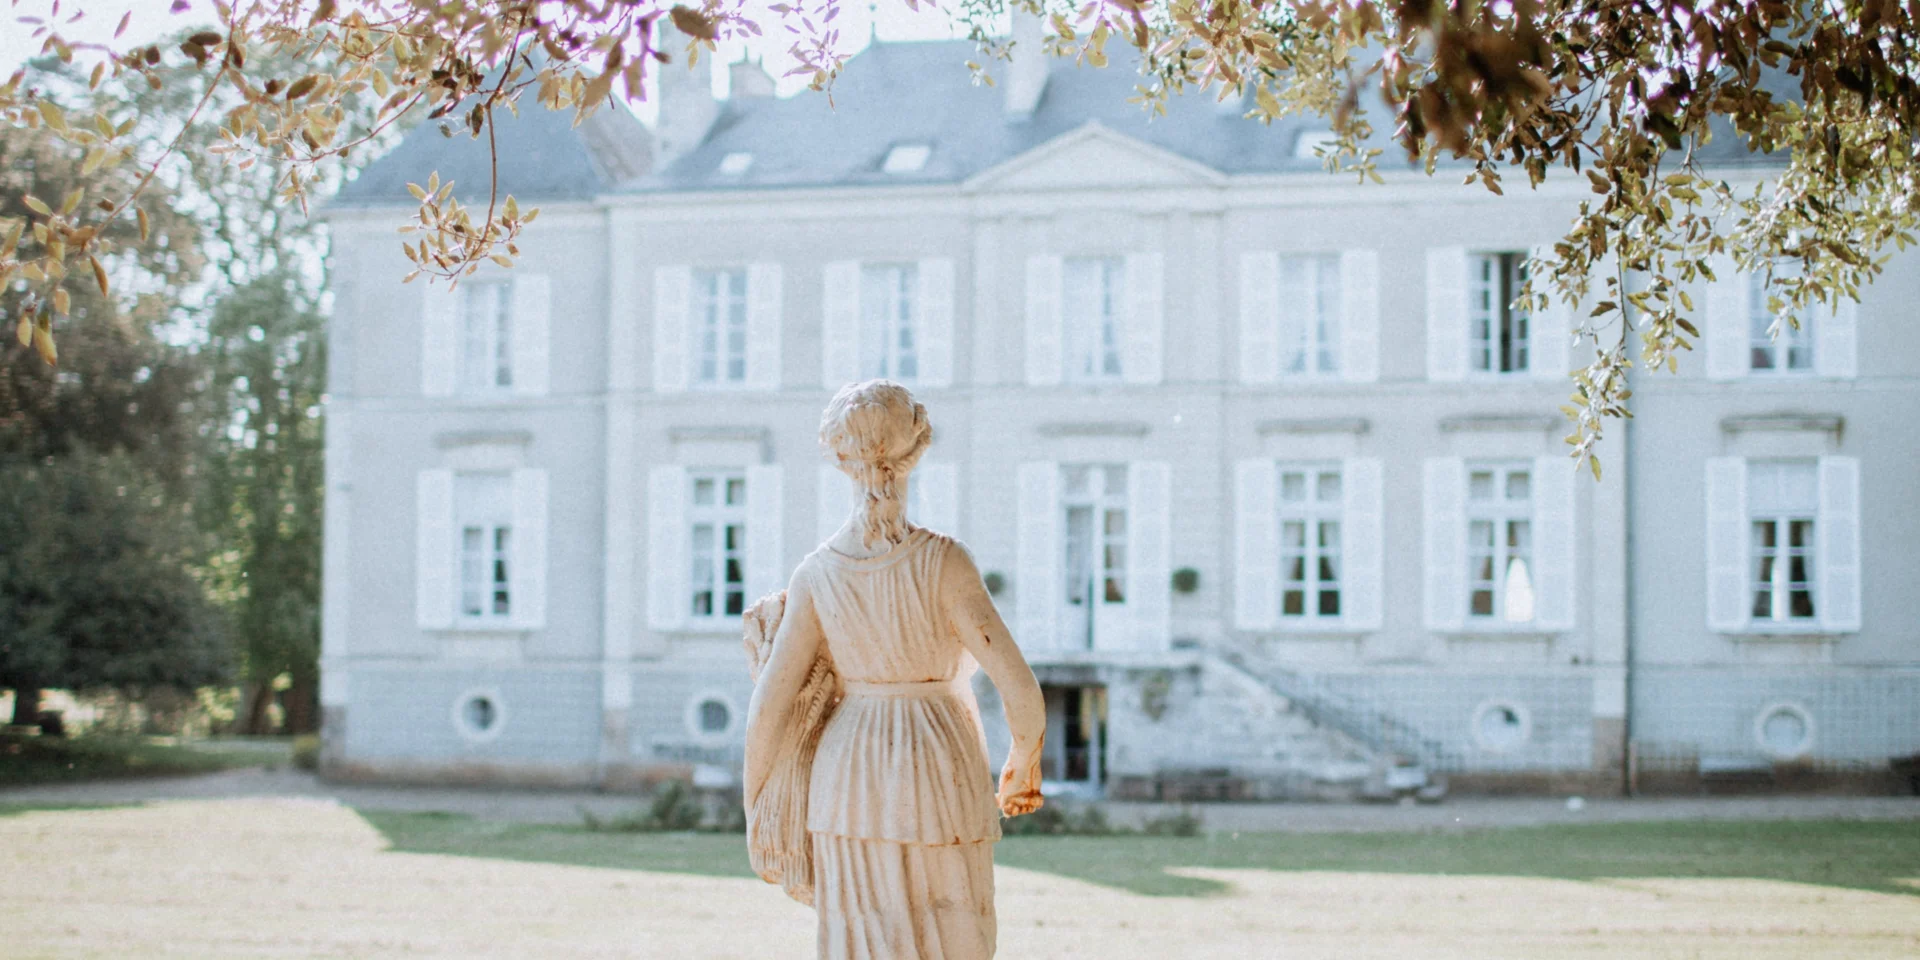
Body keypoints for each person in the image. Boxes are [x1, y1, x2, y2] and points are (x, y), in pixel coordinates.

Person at [745, 379, 1047, 959]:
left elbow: (769, 709)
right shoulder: (946, 563)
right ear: (919, 447)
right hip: (941, 760)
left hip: (848, 771)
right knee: (958, 931)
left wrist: (756, 803)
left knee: (861, 937)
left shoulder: (817, 574)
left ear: (839, 458)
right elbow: (1021, 689)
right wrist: (1022, 764)